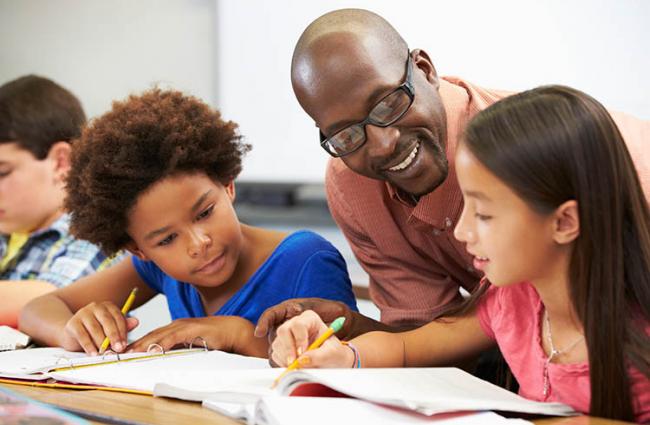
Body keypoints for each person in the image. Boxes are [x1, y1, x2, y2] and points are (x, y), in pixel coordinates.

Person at [254, 8, 650, 340]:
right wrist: (353, 328)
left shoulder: (579, 153)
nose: (382, 144)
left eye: (389, 103)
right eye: (347, 133)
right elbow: (432, 336)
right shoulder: (352, 185)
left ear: (425, 70)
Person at [269, 85, 650, 422]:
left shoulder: (638, 333)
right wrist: (346, 357)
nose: (463, 231)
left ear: (565, 222)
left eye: (484, 213)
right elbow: (406, 346)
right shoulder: (514, 301)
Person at [19, 88, 358, 357]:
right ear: (138, 249)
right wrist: (73, 330)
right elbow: (38, 308)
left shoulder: (306, 259)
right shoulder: (156, 268)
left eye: (204, 213)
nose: (198, 244)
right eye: (166, 239)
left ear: (227, 184)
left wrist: (236, 334)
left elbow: (342, 362)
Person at [0, 75, 119, 328]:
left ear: (60, 162)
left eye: (3, 173)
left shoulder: (96, 231)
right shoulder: (8, 230)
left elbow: (55, 301)